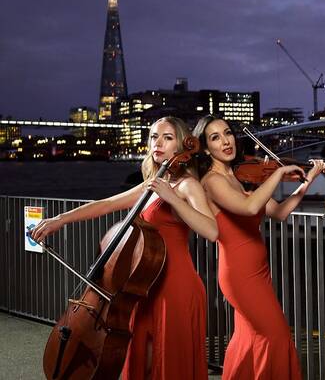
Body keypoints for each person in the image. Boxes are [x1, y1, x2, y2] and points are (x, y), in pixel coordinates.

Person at [31, 116, 218, 380]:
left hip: (175, 288)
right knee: (144, 360)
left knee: (168, 365)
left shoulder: (188, 185)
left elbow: (211, 230)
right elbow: (106, 204)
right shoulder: (152, 185)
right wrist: (60, 220)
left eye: (167, 137)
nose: (158, 143)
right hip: (144, 286)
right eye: (154, 136)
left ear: (180, 145)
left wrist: (172, 198)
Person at [193, 115, 325, 380]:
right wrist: (277, 172)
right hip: (240, 275)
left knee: (249, 340)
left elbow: (278, 212)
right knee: (274, 336)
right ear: (206, 148)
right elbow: (250, 207)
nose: (226, 141)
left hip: (258, 271)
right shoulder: (212, 181)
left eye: (227, 133)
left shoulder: (240, 178)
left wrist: (308, 179)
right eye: (215, 137)